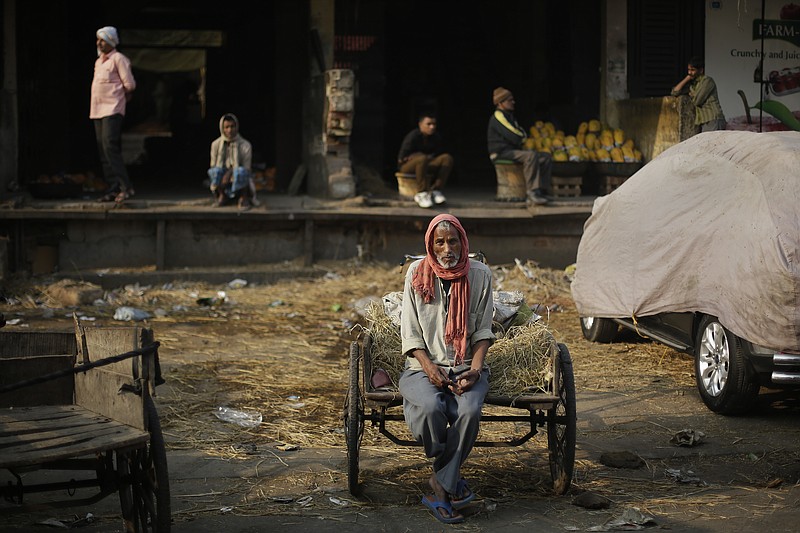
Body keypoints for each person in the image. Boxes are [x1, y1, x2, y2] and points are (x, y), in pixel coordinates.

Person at [399, 214, 495, 524]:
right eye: (439, 241)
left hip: (466, 366)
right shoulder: (416, 273)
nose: (446, 247)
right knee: (428, 408)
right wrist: (428, 368)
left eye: (452, 240)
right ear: (430, 244)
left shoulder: (480, 275)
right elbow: (410, 332)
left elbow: (482, 332)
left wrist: (476, 371)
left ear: (463, 242)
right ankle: (449, 475)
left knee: (469, 411)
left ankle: (439, 486)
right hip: (421, 367)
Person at [91, 26, 137, 204]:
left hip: (112, 109)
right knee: (102, 150)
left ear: (111, 41)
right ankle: (113, 187)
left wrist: (120, 94)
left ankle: (126, 186)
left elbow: (130, 84)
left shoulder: (119, 59)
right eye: (98, 40)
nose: (99, 43)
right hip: (97, 110)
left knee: (110, 146)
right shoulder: (99, 62)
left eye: (103, 40)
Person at [487, 87, 552, 206]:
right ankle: (532, 192)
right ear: (500, 103)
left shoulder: (510, 116)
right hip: (501, 152)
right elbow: (514, 135)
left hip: (512, 151)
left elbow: (521, 133)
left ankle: (542, 190)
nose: (513, 102)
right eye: (509, 100)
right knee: (530, 156)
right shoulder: (498, 116)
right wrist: (521, 137)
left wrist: (521, 136)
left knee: (545, 157)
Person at [397, 114, 454, 208]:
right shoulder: (413, 136)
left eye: (434, 124)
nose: (432, 127)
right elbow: (401, 158)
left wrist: (427, 157)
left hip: (427, 163)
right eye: (428, 124)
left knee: (447, 158)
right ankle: (422, 193)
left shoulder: (436, 137)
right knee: (422, 159)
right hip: (408, 166)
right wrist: (416, 156)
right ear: (420, 125)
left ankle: (436, 190)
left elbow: (437, 153)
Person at [208, 113, 259, 209]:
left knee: (241, 172)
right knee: (214, 172)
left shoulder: (245, 145)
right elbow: (213, 165)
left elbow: (247, 168)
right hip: (223, 176)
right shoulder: (215, 144)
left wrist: (230, 173)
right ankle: (222, 195)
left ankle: (243, 198)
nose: (230, 130)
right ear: (222, 128)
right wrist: (224, 174)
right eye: (226, 127)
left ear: (237, 127)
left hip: (238, 175)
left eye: (232, 126)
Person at [671, 56, 727, 132]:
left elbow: (697, 101)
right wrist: (687, 78)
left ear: (701, 70)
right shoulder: (693, 85)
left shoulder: (707, 81)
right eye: (689, 70)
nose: (690, 72)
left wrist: (692, 95)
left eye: (693, 70)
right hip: (704, 121)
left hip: (713, 119)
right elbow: (674, 92)